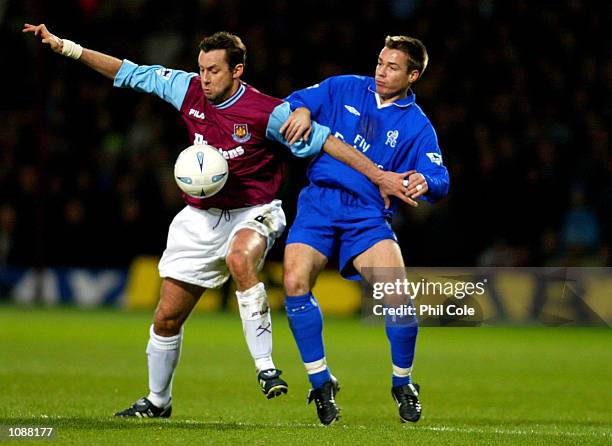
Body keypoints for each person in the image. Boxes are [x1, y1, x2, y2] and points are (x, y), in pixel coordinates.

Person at [23, 23, 413, 418]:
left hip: (255, 209)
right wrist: (66, 47)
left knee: (240, 259)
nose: (204, 78)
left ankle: (266, 367)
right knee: (167, 317)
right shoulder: (186, 89)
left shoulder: (269, 113)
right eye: (202, 69)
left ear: (237, 70)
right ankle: (158, 401)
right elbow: (127, 71)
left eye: (213, 71)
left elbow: (329, 141)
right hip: (199, 217)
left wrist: (381, 177)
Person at [279, 35, 450, 424]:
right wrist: (302, 110)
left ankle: (403, 382)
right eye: (379, 62)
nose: (381, 70)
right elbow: (294, 101)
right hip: (319, 203)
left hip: (367, 215)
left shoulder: (416, 124)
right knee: (294, 281)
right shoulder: (344, 87)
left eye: (392, 67)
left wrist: (425, 180)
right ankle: (321, 382)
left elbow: (440, 176)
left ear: (413, 75)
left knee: (399, 298)